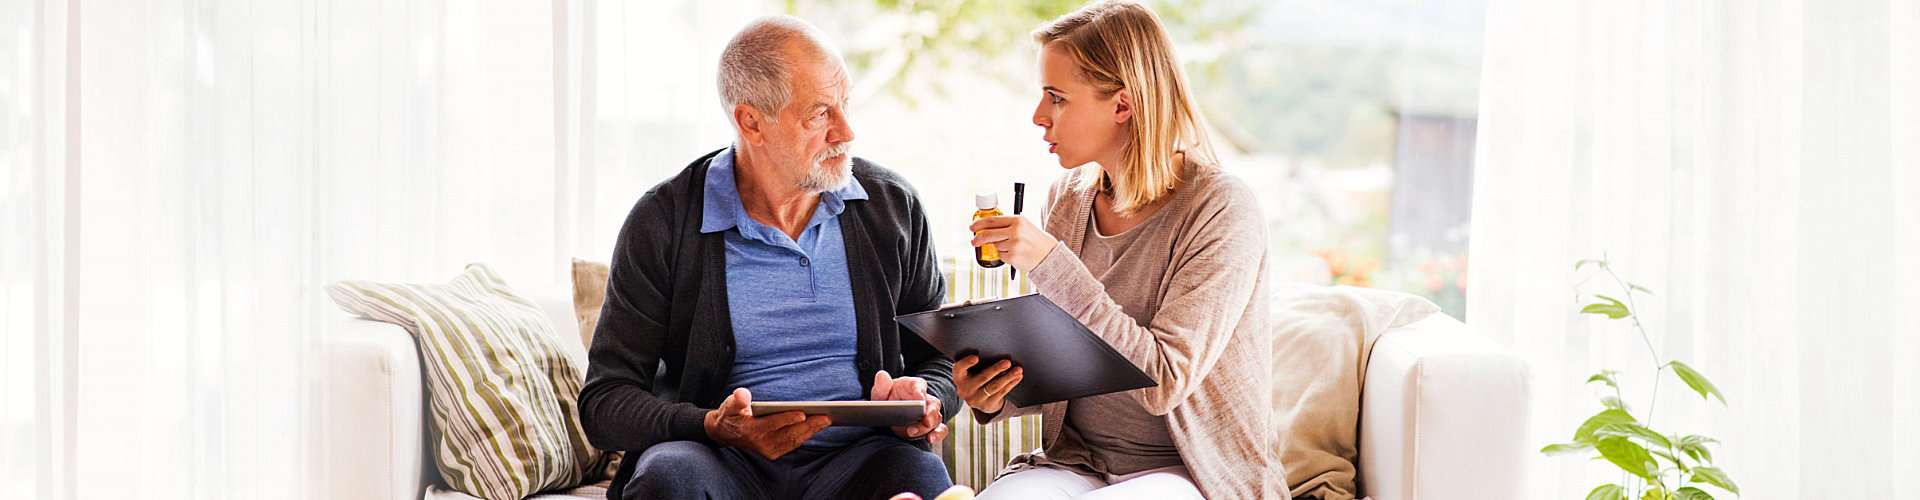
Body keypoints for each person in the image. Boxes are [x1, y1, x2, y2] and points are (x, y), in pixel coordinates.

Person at [577, 15, 958, 500]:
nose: (846, 131)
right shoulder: (663, 220)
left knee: (921, 480)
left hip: (862, 459)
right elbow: (605, 403)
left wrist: (925, 400)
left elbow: (941, 362)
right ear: (751, 122)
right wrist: (711, 425)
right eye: (820, 113)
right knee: (667, 477)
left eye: (845, 105)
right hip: (721, 461)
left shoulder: (892, 206)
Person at [961, 1, 1285, 498]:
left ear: (1122, 105)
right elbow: (1066, 357)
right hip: (1076, 462)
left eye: (1057, 97)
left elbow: (1163, 382)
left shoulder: (1221, 208)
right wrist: (993, 394)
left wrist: (1052, 265)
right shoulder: (1066, 198)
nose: (1038, 116)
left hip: (1191, 472)